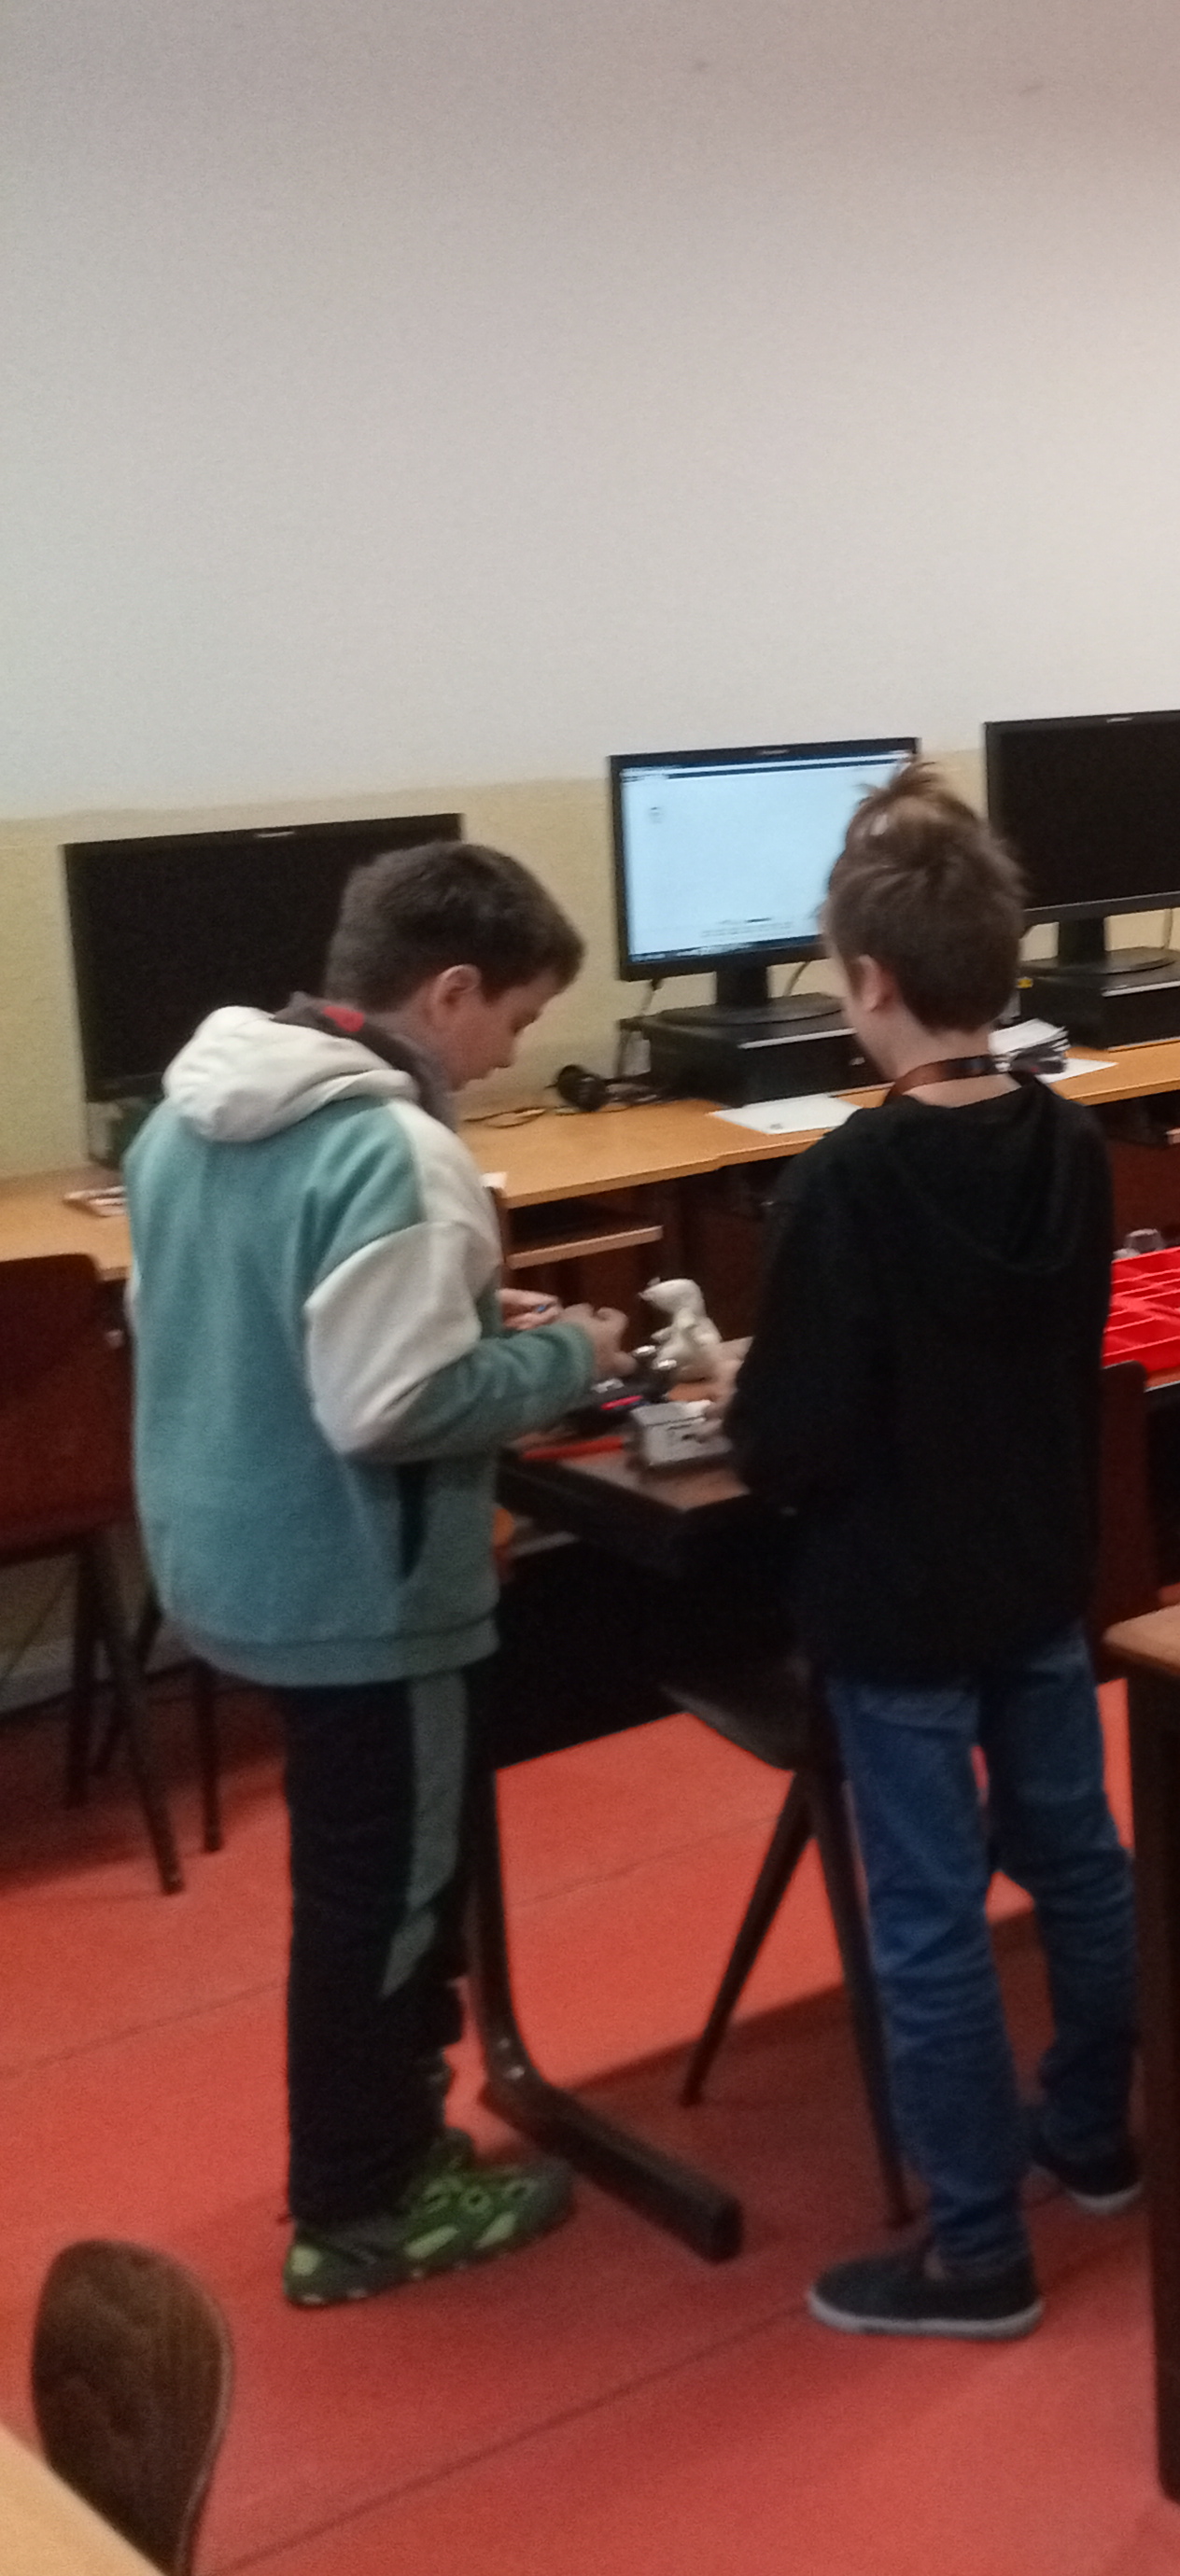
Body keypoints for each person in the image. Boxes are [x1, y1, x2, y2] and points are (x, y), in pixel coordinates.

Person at [125, 842, 625, 2307]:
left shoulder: (186, 1117)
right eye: (515, 1019)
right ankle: (364, 2204)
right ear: (451, 991)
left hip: (231, 1563)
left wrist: (451, 1304)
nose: (512, 1052)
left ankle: (377, 2154)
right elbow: (387, 1408)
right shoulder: (396, 1151)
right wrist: (564, 1354)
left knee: (350, 1879)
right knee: (389, 1900)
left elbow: (248, 1324)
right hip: (366, 1592)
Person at [728, 765, 1137, 2341]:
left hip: (896, 1603)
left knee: (927, 1916)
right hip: (1037, 1573)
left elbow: (792, 1434)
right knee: (1077, 1859)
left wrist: (740, 1405)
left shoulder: (842, 1180)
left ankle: (975, 2248)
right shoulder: (1071, 1144)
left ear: (870, 982)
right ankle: (1091, 2132)